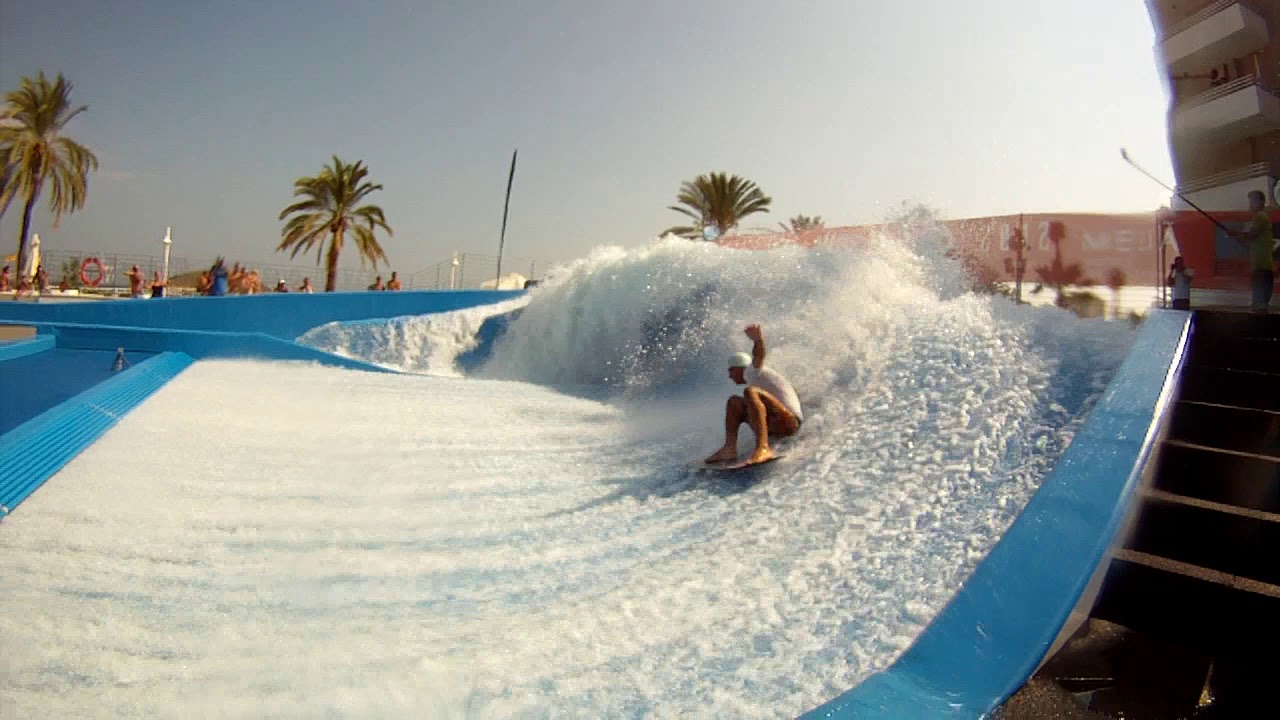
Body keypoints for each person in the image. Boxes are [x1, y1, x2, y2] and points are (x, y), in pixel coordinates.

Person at [704, 324, 804, 466]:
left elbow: (759, 357)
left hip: (789, 422)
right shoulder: (757, 378)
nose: (730, 376)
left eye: (731, 370)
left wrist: (758, 340)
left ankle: (763, 448)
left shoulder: (752, 372)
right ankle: (729, 448)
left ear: (739, 367)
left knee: (750, 392)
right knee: (734, 401)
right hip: (776, 424)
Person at [1230, 190, 1274, 313]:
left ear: (1261, 202)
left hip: (1261, 265)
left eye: (1253, 200)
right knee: (1261, 303)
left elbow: (1251, 234)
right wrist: (1237, 236)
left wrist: (1235, 233)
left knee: (1259, 304)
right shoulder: (1261, 218)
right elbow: (1250, 239)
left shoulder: (1260, 216)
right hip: (1262, 265)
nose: (1250, 204)